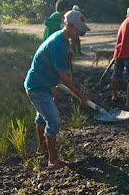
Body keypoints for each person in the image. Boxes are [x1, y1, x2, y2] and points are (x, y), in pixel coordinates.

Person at [25, 10, 91, 169]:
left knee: (42, 116)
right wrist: (80, 95)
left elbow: (60, 73)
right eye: (78, 29)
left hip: (41, 84)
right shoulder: (58, 43)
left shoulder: (61, 40)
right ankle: (52, 160)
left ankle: (42, 148)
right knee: (53, 119)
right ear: (68, 25)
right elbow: (63, 76)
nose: (80, 33)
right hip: (37, 86)